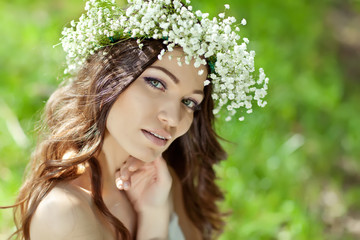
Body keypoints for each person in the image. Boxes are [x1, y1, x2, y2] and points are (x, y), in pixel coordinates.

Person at [6, 0, 268, 239]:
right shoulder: (64, 213)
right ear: (109, 77)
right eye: (156, 83)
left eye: (189, 102)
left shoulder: (165, 182)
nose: (172, 118)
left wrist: (154, 213)